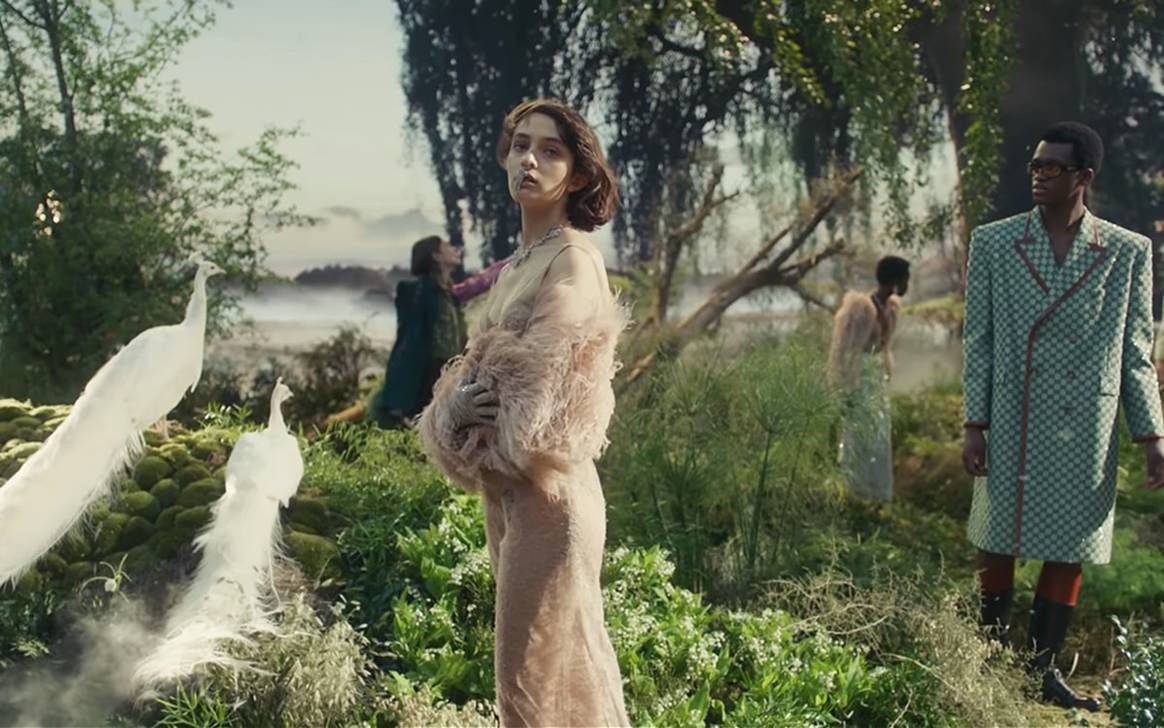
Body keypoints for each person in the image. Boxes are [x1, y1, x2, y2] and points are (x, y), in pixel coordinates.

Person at [417, 98, 629, 726]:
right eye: (520, 146)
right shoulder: (519, 263)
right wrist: (453, 406)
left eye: (550, 150)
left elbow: (534, 401)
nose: (529, 160)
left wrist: (460, 402)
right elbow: (479, 380)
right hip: (508, 495)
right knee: (549, 681)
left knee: (531, 686)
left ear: (579, 175)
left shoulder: (573, 259)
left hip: (550, 500)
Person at [961, 121, 1164, 711]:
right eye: (1035, 165)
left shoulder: (1127, 251)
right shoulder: (995, 242)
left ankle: (1041, 672)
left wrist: (1152, 434)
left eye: (1052, 167)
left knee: (1069, 544)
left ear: (1084, 177)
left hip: (1084, 424)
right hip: (1013, 415)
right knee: (997, 537)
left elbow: (1135, 352)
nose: (1039, 175)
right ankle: (987, 665)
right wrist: (974, 423)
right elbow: (978, 341)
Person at [362, 236, 506, 428]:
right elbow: (408, 342)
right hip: (426, 375)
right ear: (436, 256)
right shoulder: (415, 291)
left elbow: (479, 283)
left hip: (449, 372)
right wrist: (399, 393)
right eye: (447, 246)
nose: (454, 249)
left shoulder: (449, 295)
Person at [827, 255, 910, 502]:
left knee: (879, 432)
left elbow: (885, 346)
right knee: (858, 430)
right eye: (905, 279)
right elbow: (842, 349)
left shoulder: (890, 308)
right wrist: (843, 385)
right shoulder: (860, 308)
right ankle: (853, 488)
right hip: (860, 375)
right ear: (895, 280)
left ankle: (876, 491)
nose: (907, 284)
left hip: (876, 375)